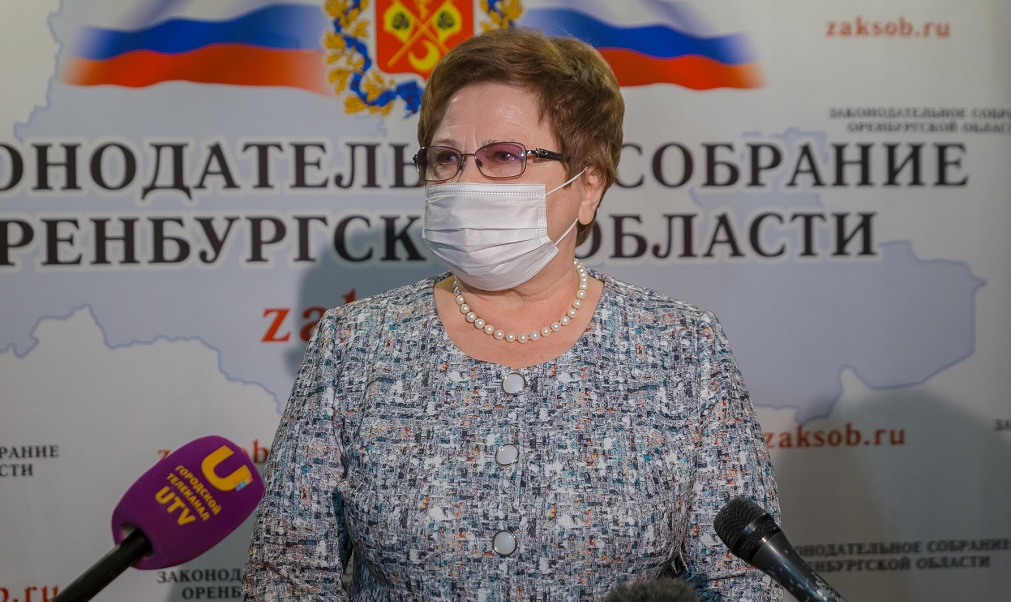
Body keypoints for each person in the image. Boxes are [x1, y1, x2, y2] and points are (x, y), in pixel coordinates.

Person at [242, 27, 782, 601]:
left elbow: (743, 584)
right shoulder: (354, 344)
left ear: (588, 187)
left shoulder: (682, 347)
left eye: (504, 157)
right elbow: (287, 576)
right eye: (446, 158)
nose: (465, 181)